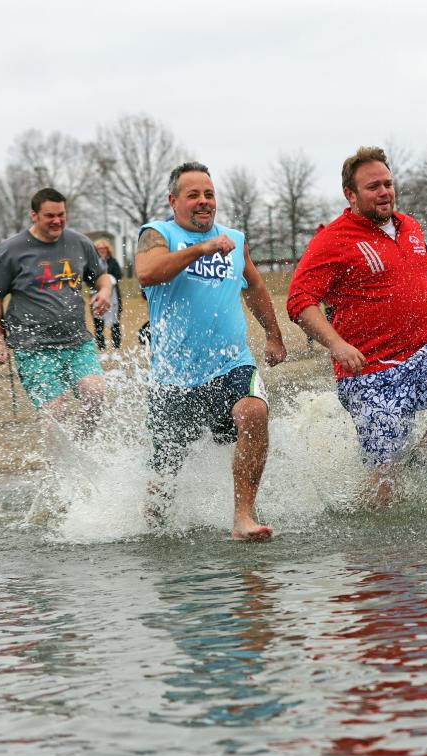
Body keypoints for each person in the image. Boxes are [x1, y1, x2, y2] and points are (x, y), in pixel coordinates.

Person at [286, 146, 427, 506]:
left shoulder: (408, 226)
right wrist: (336, 345)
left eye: (388, 184)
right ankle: (368, 544)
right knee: (384, 486)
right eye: (373, 187)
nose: (384, 192)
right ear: (350, 194)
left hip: (421, 352)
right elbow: (300, 302)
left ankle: (424, 463)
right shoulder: (331, 241)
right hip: (367, 371)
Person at [135, 162, 287, 542]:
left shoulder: (234, 238)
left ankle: (243, 518)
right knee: (164, 474)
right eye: (193, 195)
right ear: (174, 201)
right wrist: (202, 248)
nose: (204, 202)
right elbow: (148, 272)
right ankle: (150, 530)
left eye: (209, 194)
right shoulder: (158, 233)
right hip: (175, 378)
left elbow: (253, 286)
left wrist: (273, 334)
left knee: (253, 412)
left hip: (231, 363)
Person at [0, 187, 114, 430]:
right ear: (34, 215)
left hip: (76, 342)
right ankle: (60, 465)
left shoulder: (80, 243)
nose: (57, 221)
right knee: (55, 414)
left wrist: (104, 292)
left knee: (95, 393)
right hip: (33, 347)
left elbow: (102, 277)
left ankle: (83, 449)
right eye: (49, 216)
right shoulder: (12, 250)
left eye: (61, 215)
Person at [92, 239, 124, 352]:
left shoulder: (113, 261)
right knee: (98, 325)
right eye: (99, 249)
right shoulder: (92, 262)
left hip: (114, 296)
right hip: (96, 295)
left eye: (103, 248)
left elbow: (119, 275)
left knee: (115, 324)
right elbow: (88, 279)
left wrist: (109, 280)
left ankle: (116, 349)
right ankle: (102, 349)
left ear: (107, 249)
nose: (101, 250)